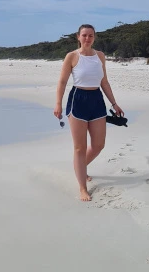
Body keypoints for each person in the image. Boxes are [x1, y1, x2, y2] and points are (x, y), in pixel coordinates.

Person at [54, 24, 124, 201]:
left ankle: (80, 167)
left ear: (94, 37)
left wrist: (114, 103)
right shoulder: (72, 56)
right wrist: (58, 104)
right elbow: (62, 82)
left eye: (90, 35)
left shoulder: (100, 56)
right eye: (84, 35)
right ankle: (82, 187)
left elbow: (104, 82)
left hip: (97, 100)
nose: (87, 38)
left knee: (98, 145)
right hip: (78, 100)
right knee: (80, 147)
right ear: (78, 37)